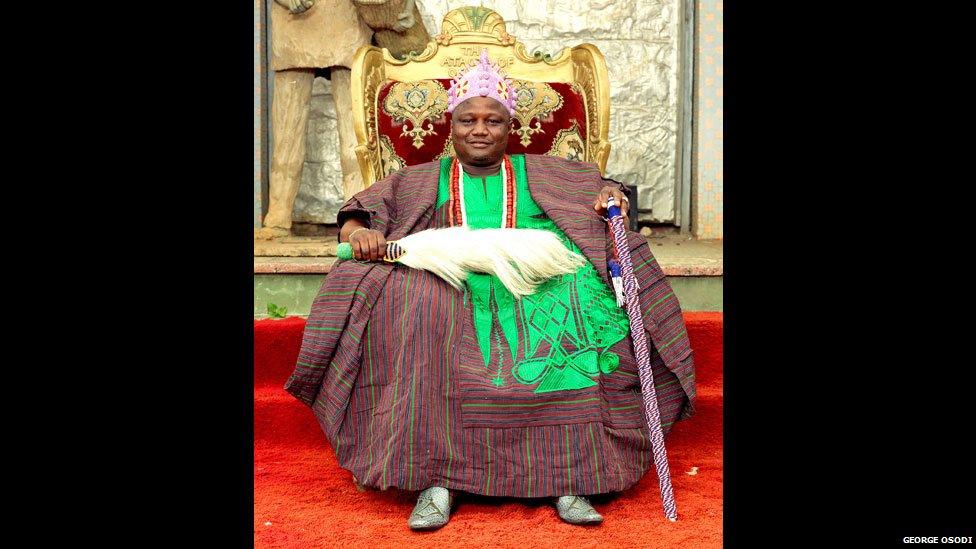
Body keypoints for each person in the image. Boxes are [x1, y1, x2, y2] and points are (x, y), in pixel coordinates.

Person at [284, 50, 696, 530]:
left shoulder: (544, 173)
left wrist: (612, 197)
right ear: (450, 126)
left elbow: (604, 190)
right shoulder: (420, 179)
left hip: (536, 279)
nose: (480, 130)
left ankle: (569, 478)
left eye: (493, 121)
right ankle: (435, 479)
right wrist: (357, 234)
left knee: (573, 302)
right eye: (468, 120)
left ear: (509, 129)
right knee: (417, 306)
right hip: (448, 281)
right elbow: (360, 213)